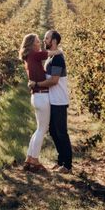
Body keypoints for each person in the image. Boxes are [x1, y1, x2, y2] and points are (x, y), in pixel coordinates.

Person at [28, 29, 72, 174]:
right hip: (51, 100)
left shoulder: (58, 58)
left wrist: (37, 84)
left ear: (53, 41)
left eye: (46, 38)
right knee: (53, 131)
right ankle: (61, 161)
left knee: (61, 132)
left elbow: (54, 81)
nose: (44, 40)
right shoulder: (50, 58)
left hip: (59, 100)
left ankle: (67, 165)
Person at [19, 33, 63, 172]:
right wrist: (60, 51)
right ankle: (35, 161)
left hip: (36, 96)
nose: (40, 43)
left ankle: (29, 158)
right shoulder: (34, 54)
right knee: (42, 129)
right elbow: (52, 52)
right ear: (32, 44)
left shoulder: (29, 57)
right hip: (42, 96)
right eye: (38, 41)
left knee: (39, 129)